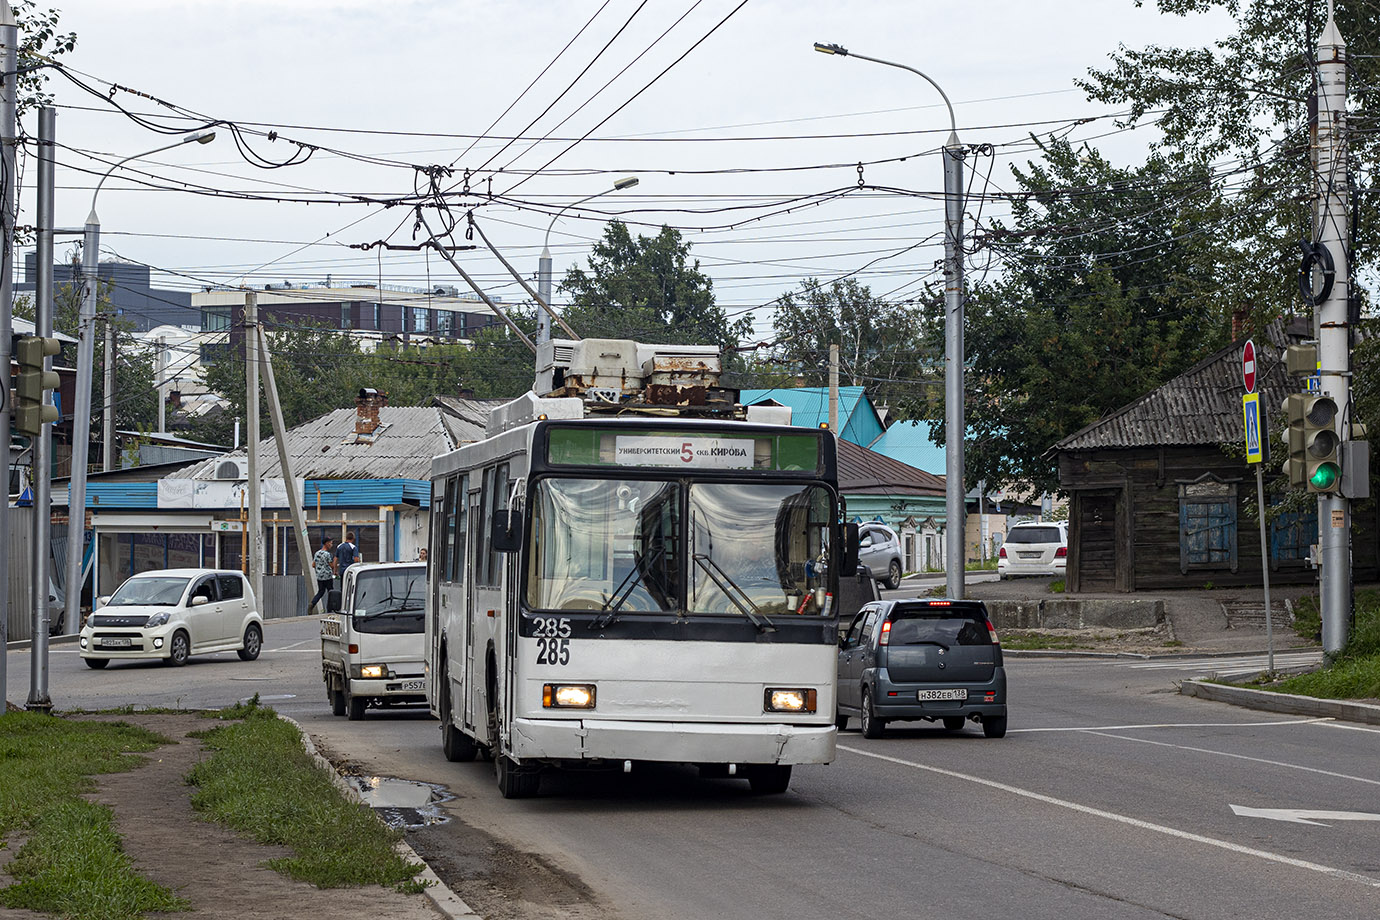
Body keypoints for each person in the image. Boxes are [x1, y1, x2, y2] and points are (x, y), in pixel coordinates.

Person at [309, 537, 336, 614]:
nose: (331, 545)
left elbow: (313, 565)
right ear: (326, 543)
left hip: (319, 577)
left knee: (321, 592)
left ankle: (312, 603)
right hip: (327, 576)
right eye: (330, 543)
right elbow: (332, 566)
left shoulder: (317, 553)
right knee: (331, 592)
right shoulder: (327, 554)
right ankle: (329, 609)